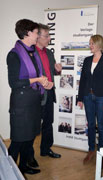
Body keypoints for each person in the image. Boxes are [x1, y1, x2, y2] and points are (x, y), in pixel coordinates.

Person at [7, 19, 53, 178]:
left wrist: (45, 82)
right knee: (18, 140)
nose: (37, 35)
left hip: (34, 101)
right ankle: (7, 172)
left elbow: (37, 75)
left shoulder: (33, 52)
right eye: (35, 32)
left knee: (29, 138)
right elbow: (14, 83)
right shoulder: (14, 54)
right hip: (21, 104)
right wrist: (38, 80)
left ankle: (23, 166)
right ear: (27, 33)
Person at [27, 23, 62, 168]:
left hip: (49, 92)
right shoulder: (29, 53)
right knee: (32, 127)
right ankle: (29, 156)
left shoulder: (49, 53)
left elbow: (51, 72)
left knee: (48, 123)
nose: (49, 38)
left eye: (49, 36)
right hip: (36, 94)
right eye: (46, 36)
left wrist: (57, 70)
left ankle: (45, 149)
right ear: (38, 37)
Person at [77, 34, 103, 164]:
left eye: (92, 43)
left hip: (101, 98)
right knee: (91, 124)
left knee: (102, 127)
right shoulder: (87, 60)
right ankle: (91, 149)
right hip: (87, 96)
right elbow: (83, 80)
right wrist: (80, 97)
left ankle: (101, 152)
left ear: (99, 45)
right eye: (90, 43)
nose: (90, 46)